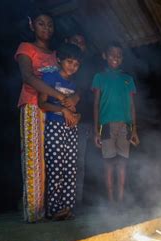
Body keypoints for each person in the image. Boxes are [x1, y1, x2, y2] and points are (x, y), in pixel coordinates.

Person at [15, 11, 78, 222]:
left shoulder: (55, 55)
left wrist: (69, 101)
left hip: (54, 112)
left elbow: (69, 76)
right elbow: (27, 76)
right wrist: (59, 96)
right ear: (31, 24)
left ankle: (54, 208)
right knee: (34, 160)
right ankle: (34, 213)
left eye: (50, 25)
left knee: (53, 162)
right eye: (41, 24)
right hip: (33, 106)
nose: (46, 28)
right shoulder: (26, 48)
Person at [38, 43, 83, 220]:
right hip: (54, 126)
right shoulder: (50, 77)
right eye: (69, 61)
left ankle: (67, 208)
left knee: (71, 168)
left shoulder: (73, 84)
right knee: (56, 167)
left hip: (71, 129)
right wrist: (62, 110)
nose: (72, 66)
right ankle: (53, 209)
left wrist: (77, 115)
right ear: (59, 60)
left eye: (76, 64)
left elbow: (74, 108)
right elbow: (42, 104)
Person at [92, 42, 140, 205]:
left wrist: (134, 130)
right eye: (112, 54)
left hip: (125, 127)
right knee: (108, 163)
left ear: (122, 58)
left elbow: (133, 106)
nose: (116, 57)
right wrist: (96, 131)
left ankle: (120, 200)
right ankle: (111, 200)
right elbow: (96, 104)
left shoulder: (128, 79)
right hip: (106, 125)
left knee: (122, 163)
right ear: (105, 56)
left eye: (119, 55)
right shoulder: (99, 77)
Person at [65, 32, 98, 207]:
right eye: (75, 41)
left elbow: (89, 95)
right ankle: (54, 201)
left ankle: (73, 203)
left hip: (82, 122)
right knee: (58, 161)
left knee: (78, 163)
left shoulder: (87, 67)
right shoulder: (59, 65)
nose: (78, 44)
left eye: (82, 43)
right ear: (67, 42)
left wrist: (93, 124)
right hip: (58, 119)